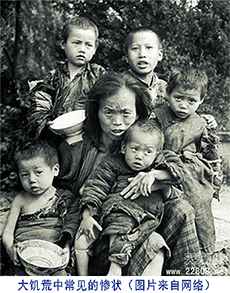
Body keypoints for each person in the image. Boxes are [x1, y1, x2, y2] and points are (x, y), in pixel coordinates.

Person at [56, 71, 204, 276]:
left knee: (182, 209)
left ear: (138, 113)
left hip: (145, 222)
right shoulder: (80, 147)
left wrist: (156, 179)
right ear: (96, 111)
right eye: (109, 112)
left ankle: (186, 277)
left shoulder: (148, 139)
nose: (117, 122)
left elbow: (176, 174)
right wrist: (77, 225)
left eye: (126, 113)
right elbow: (73, 195)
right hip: (102, 229)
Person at [75, 119, 184, 276]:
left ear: (157, 153)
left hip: (143, 221)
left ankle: (115, 269)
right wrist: (88, 214)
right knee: (81, 239)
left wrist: (154, 175)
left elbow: (180, 172)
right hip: (110, 218)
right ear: (124, 147)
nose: (139, 156)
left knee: (150, 242)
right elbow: (95, 187)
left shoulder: (158, 164)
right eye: (134, 149)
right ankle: (83, 280)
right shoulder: (112, 164)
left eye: (147, 152)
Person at [150, 66, 222, 254]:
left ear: (201, 100)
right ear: (168, 93)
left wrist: (215, 181)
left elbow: (211, 155)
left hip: (192, 174)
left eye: (191, 101)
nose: (183, 105)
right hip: (163, 169)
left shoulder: (201, 123)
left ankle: (204, 253)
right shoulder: (158, 116)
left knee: (200, 207)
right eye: (178, 98)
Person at [2, 139, 75, 276]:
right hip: (23, 258)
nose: (32, 180)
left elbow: (69, 230)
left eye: (38, 172)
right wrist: (9, 248)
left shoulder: (63, 198)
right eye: (25, 175)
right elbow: (8, 231)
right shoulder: (20, 199)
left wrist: (66, 248)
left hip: (53, 261)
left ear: (55, 170)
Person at [27, 16, 106, 140]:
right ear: (63, 44)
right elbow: (41, 103)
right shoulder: (52, 77)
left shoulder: (98, 74)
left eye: (88, 45)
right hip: (57, 136)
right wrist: (45, 122)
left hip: (89, 137)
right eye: (76, 43)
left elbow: (109, 101)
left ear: (95, 49)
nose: (82, 49)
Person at [124, 26, 218, 128]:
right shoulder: (121, 86)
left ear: (160, 55)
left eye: (149, 48)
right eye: (135, 48)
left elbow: (182, 112)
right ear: (126, 56)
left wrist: (203, 120)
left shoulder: (165, 87)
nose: (142, 54)